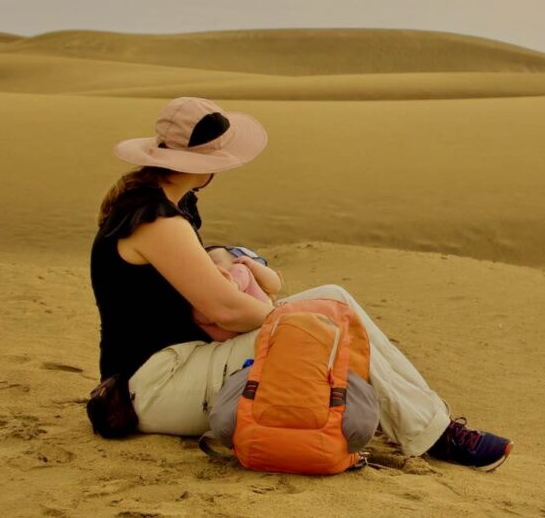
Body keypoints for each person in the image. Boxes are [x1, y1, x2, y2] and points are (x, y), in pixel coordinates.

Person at [89, 96, 513, 471]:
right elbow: (227, 311)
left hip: (181, 366)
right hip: (154, 386)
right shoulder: (155, 219)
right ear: (206, 167)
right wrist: (294, 321)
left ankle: (429, 424)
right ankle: (435, 435)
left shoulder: (164, 206)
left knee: (333, 301)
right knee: (326, 315)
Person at [194, 246, 276, 341]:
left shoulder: (240, 269)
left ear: (238, 261)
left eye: (214, 261)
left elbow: (275, 284)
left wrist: (233, 284)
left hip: (257, 318)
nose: (209, 267)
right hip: (235, 332)